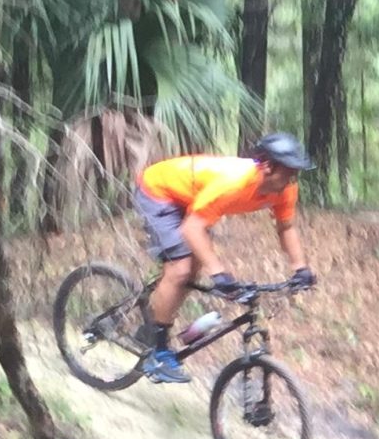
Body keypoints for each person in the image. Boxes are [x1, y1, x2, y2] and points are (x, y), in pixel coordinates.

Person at [132, 131, 318, 382]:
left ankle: (152, 326)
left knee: (192, 267)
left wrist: (301, 268)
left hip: (192, 197)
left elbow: (286, 227)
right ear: (266, 166)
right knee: (181, 269)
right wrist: (219, 273)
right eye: (288, 170)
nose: (293, 177)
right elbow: (191, 228)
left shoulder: (285, 189)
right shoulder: (233, 183)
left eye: (295, 171)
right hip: (159, 190)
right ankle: (158, 351)